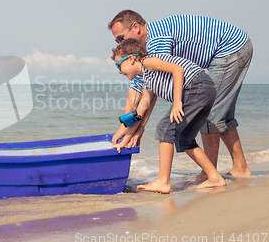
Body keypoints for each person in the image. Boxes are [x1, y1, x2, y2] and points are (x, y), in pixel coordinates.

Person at [108, 10, 253, 181]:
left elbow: (149, 89)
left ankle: (210, 174)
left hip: (230, 49)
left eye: (120, 38)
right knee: (220, 114)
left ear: (136, 27)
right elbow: (145, 86)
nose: (119, 43)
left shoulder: (156, 41)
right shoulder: (147, 48)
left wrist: (139, 127)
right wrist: (129, 128)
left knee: (210, 115)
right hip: (230, 50)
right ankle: (240, 167)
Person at [111, 39, 226, 193]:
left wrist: (177, 101)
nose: (119, 71)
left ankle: (163, 181)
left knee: (164, 129)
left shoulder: (148, 62)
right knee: (184, 139)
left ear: (131, 59)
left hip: (196, 86)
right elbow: (139, 114)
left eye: (119, 65)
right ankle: (215, 178)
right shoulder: (148, 82)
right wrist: (123, 141)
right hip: (205, 90)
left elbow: (177, 69)